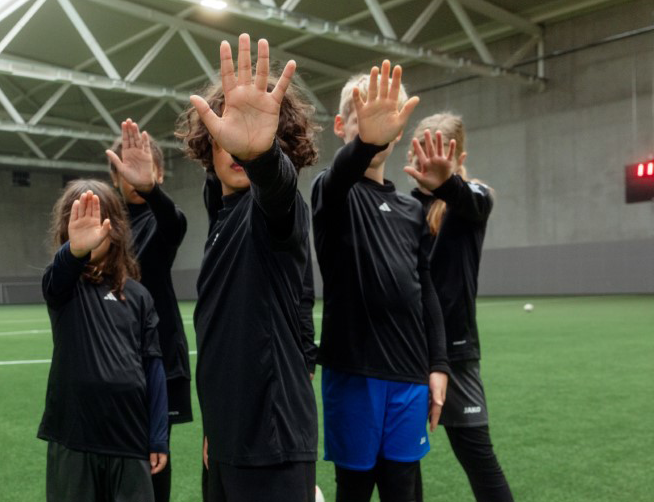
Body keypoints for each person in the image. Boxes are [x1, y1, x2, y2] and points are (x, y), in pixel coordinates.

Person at [176, 33, 319, 502]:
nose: (238, 151)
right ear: (209, 145)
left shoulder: (274, 210)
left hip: (270, 447)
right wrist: (215, 427)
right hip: (228, 441)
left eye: (260, 138)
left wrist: (262, 156)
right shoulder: (222, 219)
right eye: (226, 136)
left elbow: (276, 192)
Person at [311, 61, 449, 502]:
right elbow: (338, 178)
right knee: (353, 490)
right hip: (354, 373)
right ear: (341, 126)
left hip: (409, 375)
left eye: (383, 122)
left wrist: (439, 364)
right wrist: (366, 141)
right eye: (359, 119)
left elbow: (426, 290)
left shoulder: (411, 211)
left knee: (403, 489)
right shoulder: (331, 193)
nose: (372, 131)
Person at [406, 113, 514, 502]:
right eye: (420, 152)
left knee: (478, 459)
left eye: (438, 152)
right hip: (405, 353)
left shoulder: (474, 198)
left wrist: (447, 183)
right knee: (401, 468)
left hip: (455, 355)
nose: (427, 162)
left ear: (458, 155)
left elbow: (469, 199)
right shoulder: (405, 208)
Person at [38, 180, 168, 502]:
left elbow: (153, 368)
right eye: (79, 221)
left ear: (116, 229)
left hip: (129, 437)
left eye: (99, 220)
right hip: (74, 437)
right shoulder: (63, 286)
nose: (90, 231)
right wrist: (75, 252)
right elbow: (59, 275)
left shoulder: (138, 295)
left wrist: (158, 437)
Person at [106, 119, 193, 502]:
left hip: (159, 360)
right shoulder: (104, 229)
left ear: (157, 172)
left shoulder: (162, 221)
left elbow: (174, 224)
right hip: (113, 362)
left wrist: (150, 190)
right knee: (114, 459)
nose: (134, 176)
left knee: (156, 457)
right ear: (115, 176)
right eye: (125, 169)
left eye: (145, 168)